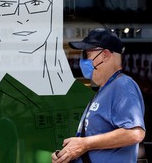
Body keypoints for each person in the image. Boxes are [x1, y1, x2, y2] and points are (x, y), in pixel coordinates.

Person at [51, 27, 146, 163]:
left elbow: (135, 133)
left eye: (87, 55)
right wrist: (67, 154)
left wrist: (84, 144)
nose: (83, 61)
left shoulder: (122, 86)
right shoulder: (104, 90)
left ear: (105, 55)